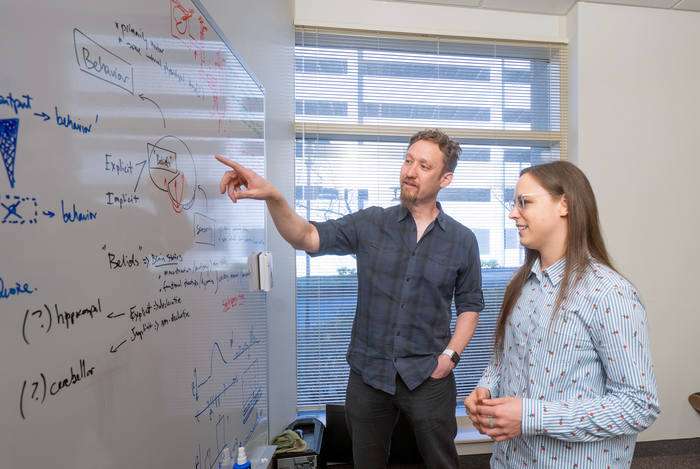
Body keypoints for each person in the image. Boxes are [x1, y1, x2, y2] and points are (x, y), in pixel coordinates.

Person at [216, 129, 484, 469]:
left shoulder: (462, 240)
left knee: (442, 462)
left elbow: (471, 304)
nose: (410, 171)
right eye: (407, 160)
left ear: (445, 178)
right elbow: (308, 237)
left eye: (423, 166)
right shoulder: (372, 222)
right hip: (369, 375)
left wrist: (450, 357)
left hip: (428, 376)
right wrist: (273, 196)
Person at [465, 161, 660, 468]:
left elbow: (638, 406)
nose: (513, 213)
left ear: (564, 205)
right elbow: (505, 357)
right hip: (509, 460)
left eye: (524, 202)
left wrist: (531, 417)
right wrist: (485, 387)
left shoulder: (609, 293)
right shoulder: (519, 284)